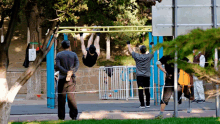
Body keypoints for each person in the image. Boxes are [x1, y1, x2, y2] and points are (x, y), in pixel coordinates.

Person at [55, 40, 79, 120]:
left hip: (62, 79)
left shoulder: (59, 55)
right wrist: (71, 72)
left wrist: (66, 72)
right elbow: (77, 65)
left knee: (61, 99)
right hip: (71, 79)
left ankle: (61, 117)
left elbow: (58, 66)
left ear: (62, 46)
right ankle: (74, 116)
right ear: (69, 46)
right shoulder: (74, 54)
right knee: (71, 98)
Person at [127, 41, 154, 108]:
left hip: (139, 76)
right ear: (145, 50)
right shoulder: (148, 56)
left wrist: (128, 45)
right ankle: (148, 104)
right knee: (147, 89)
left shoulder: (137, 56)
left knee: (140, 89)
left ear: (140, 50)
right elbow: (153, 51)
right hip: (147, 76)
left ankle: (142, 104)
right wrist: (152, 45)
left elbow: (131, 51)